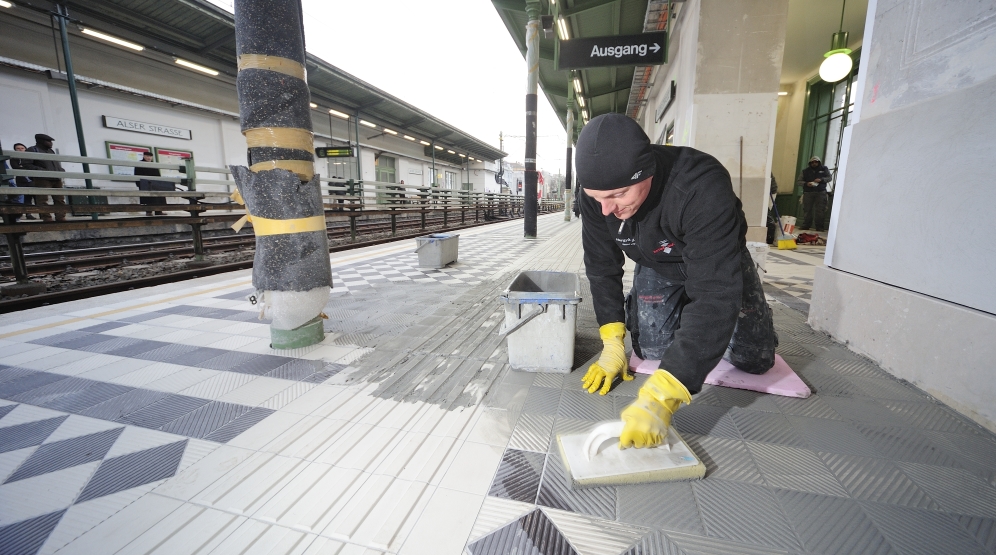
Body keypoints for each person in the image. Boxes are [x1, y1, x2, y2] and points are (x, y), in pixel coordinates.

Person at [576, 113, 777, 449]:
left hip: (715, 262)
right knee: (651, 350)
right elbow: (601, 265)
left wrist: (662, 396)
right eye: (598, 198)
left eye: (619, 194)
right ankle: (680, 314)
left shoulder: (701, 185)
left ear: (647, 172)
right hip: (656, 261)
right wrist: (612, 339)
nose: (607, 210)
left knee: (753, 360)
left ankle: (742, 318)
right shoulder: (598, 200)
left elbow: (714, 292)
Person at [22, 134, 66, 221]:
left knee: (60, 199)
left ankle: (61, 217)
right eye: (48, 141)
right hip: (42, 179)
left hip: (56, 178)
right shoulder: (33, 150)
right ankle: (46, 217)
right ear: (41, 141)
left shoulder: (51, 151)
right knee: (42, 199)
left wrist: (60, 170)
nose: (51, 143)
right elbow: (26, 164)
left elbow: (55, 163)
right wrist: (41, 170)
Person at [798, 156, 830, 231]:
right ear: (810, 163)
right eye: (812, 162)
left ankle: (819, 227)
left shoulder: (824, 169)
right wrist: (806, 184)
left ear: (819, 162)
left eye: (816, 162)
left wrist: (821, 180)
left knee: (820, 210)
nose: (814, 163)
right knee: (807, 210)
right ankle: (806, 225)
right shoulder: (805, 171)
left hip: (821, 192)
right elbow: (799, 181)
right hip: (808, 192)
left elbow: (829, 178)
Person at [10, 144, 38, 220]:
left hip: (32, 179)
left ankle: (42, 213)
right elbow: (15, 167)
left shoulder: (30, 157)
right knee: (26, 198)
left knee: (38, 197)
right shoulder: (14, 158)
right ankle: (28, 214)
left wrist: (23, 166)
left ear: (25, 149)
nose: (20, 150)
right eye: (18, 148)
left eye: (22, 148)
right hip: (22, 181)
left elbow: (33, 167)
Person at [134, 150, 166, 216]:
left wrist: (159, 183)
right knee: (147, 198)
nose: (149, 158)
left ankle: (158, 211)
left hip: (154, 183)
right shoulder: (139, 164)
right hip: (144, 183)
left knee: (158, 197)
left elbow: (158, 175)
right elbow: (136, 175)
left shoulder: (153, 164)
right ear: (144, 156)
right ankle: (149, 212)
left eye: (150, 156)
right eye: (147, 156)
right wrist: (139, 184)